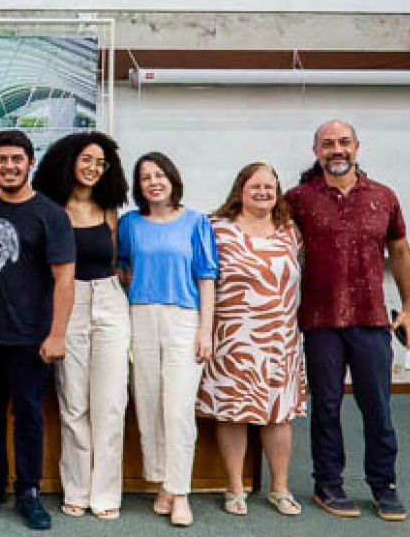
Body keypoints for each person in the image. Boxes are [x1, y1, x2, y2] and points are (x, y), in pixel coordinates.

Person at [286, 119, 410, 522]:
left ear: (357, 147)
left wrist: (409, 309)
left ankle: (384, 485)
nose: (336, 149)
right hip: (320, 322)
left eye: (344, 142)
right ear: (316, 152)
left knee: (377, 407)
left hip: (372, 320)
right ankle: (329, 483)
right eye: (328, 144)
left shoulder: (384, 197)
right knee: (325, 406)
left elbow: (400, 250)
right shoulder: (298, 199)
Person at [0, 130, 75, 531]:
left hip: (31, 336)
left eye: (17, 159)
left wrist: (57, 334)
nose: (9, 166)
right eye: (2, 159)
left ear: (30, 163)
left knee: (28, 414)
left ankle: (28, 491)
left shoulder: (50, 214)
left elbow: (65, 279)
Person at [198, 162, 306, 517]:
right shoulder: (218, 228)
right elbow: (205, 279)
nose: (263, 192)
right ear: (240, 190)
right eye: (255, 186)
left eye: (269, 187)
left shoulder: (290, 231)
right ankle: (234, 488)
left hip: (280, 340)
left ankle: (280, 488)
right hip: (233, 339)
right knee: (233, 413)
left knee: (278, 416)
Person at [32, 132, 130, 521]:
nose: (93, 168)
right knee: (73, 403)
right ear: (69, 160)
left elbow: (117, 265)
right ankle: (76, 488)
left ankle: (105, 492)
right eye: (86, 160)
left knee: (109, 404)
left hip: (108, 300)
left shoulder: (109, 210)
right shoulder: (50, 208)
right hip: (65, 303)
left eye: (100, 163)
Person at [118, 151, 218, 527]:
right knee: (148, 407)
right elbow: (124, 268)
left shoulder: (195, 222)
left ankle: (181, 493)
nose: (153, 182)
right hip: (141, 317)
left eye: (159, 174)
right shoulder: (130, 224)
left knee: (177, 411)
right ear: (138, 186)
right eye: (145, 177)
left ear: (173, 179)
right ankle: (163, 484)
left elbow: (206, 278)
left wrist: (205, 330)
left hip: (184, 319)